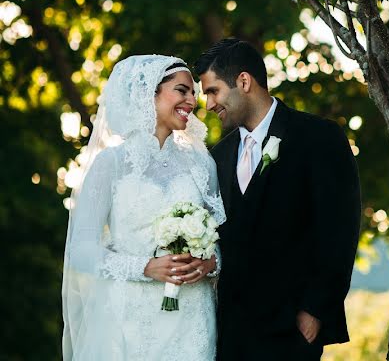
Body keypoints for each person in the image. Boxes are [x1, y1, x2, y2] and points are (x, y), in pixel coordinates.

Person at [196, 38, 361, 361]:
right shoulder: (218, 157)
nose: (209, 104)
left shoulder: (319, 137)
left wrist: (315, 309)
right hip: (230, 334)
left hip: (292, 331)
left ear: (243, 81)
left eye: (213, 91)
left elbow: (339, 230)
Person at [62, 55, 225, 360]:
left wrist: (208, 264)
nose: (192, 100)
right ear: (149, 93)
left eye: (193, 93)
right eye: (182, 90)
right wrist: (144, 268)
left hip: (193, 320)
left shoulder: (202, 164)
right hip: (128, 319)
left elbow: (220, 241)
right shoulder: (111, 164)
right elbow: (81, 250)